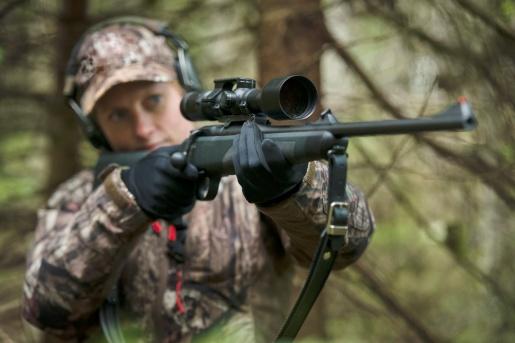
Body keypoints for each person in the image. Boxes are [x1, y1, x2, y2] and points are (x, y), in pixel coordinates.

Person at [22, 17, 375, 342]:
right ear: (95, 130)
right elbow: (45, 309)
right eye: (118, 114)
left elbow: (349, 244)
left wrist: (295, 187)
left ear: (185, 90)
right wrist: (124, 202)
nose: (144, 129)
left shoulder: (244, 171)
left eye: (155, 100)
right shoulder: (82, 196)